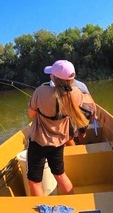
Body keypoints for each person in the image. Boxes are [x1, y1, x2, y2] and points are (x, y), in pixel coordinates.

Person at [27, 60, 89, 196]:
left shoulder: (41, 91)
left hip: (38, 141)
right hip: (59, 141)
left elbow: (31, 114)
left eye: (51, 74)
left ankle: (43, 209)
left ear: (54, 78)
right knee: (60, 174)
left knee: (35, 180)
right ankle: (73, 203)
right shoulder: (77, 93)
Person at [45, 69, 97, 146]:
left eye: (51, 74)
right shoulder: (81, 84)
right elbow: (91, 101)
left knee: (66, 136)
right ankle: (82, 143)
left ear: (57, 77)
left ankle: (75, 150)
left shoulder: (60, 88)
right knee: (82, 132)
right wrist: (94, 114)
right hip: (89, 110)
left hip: (80, 109)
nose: (50, 76)